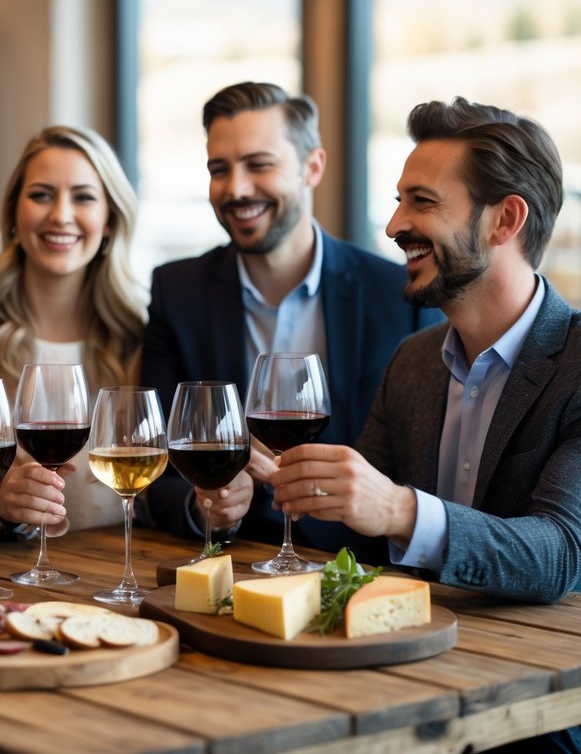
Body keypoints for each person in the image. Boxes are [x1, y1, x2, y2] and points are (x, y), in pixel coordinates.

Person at [271, 97, 581, 754]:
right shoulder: (414, 361)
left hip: (548, 715)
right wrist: (280, 484)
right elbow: (360, 532)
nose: (394, 224)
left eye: (421, 202)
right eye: (398, 201)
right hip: (415, 690)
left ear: (505, 219)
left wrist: (396, 508)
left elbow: (554, 555)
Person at [139, 81, 443, 549]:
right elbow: (152, 465)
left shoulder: (398, 295)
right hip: (226, 565)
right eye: (219, 169)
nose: (237, 188)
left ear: (312, 166)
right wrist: (205, 504)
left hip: (358, 569)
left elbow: (422, 470)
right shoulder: (177, 292)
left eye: (259, 165)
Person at [0, 125, 147, 537]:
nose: (60, 214)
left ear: (111, 220)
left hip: (123, 578)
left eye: (83, 197)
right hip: (5, 585)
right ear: (14, 215)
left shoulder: (142, 335)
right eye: (41, 195)